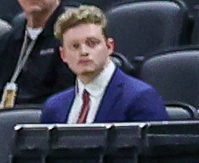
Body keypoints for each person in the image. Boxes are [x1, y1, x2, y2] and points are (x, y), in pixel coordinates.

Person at [39, 7, 170, 126]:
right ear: (63, 55)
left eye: (92, 43)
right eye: (75, 46)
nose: (83, 51)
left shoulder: (140, 98)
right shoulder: (54, 107)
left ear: (109, 47)